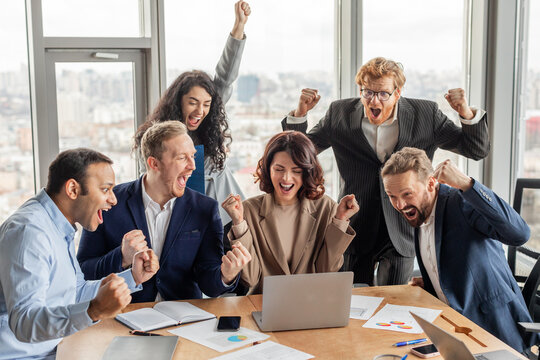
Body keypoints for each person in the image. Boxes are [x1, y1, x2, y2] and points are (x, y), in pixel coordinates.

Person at [282, 57, 490, 286]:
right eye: (367, 92)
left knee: (393, 304)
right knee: (349, 301)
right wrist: (300, 114)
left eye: (383, 94)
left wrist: (465, 112)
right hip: (355, 224)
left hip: (403, 227)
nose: (374, 100)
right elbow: (299, 153)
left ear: (397, 93)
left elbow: (475, 149)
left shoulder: (426, 114)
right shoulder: (339, 113)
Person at [0, 148, 159, 360]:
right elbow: (24, 324)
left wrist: (133, 277)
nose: (113, 200)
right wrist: (92, 311)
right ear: (73, 189)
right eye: (105, 189)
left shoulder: (58, 227)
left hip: (57, 349)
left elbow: (75, 292)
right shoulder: (30, 233)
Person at [381, 147, 535, 353]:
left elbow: (520, 234)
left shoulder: (461, 202)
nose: (399, 204)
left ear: (431, 183)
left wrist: (466, 184)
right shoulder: (420, 211)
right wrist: (433, 283)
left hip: (495, 331)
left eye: (407, 194)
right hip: (454, 332)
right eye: (391, 196)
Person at [77, 121, 251, 302]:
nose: (193, 166)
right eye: (182, 158)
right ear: (154, 163)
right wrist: (121, 257)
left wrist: (226, 276)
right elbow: (83, 271)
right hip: (125, 314)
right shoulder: (110, 204)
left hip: (183, 319)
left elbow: (210, 284)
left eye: (193, 156)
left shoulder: (205, 208)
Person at [136, 0, 251, 227]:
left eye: (207, 104)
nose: (200, 110)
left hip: (224, 218)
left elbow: (225, 77)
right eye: (193, 102)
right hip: (180, 223)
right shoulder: (156, 137)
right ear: (178, 101)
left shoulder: (208, 129)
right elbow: (146, 182)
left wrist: (238, 28)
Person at [221, 131, 359, 294]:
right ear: (268, 169)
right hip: (263, 306)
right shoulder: (248, 211)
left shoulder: (326, 208)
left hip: (312, 304)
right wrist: (239, 223)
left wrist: (340, 220)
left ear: (308, 172)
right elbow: (250, 278)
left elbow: (326, 270)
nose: (286, 178)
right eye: (279, 169)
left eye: (296, 171)